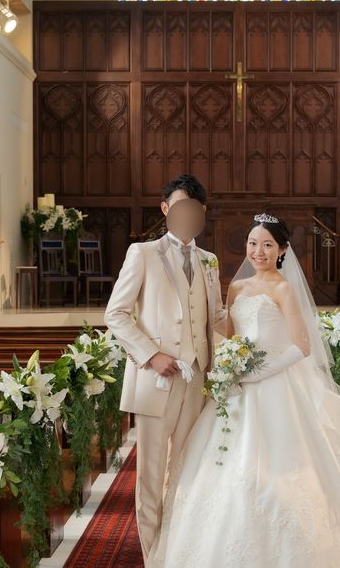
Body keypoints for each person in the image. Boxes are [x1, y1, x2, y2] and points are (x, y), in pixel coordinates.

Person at [147, 213, 340, 568]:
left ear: (281, 250)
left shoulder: (283, 288)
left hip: (275, 387)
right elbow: (231, 335)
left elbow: (302, 345)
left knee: (283, 470)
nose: (258, 251)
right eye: (253, 243)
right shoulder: (237, 288)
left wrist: (259, 372)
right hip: (237, 387)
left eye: (267, 245)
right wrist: (228, 364)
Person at [104, 174, 225, 560]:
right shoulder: (142, 253)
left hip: (197, 380)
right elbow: (116, 314)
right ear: (165, 209)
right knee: (152, 477)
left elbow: (216, 319)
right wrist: (151, 354)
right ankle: (151, 557)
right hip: (156, 380)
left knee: (186, 472)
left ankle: (177, 552)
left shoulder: (209, 261)